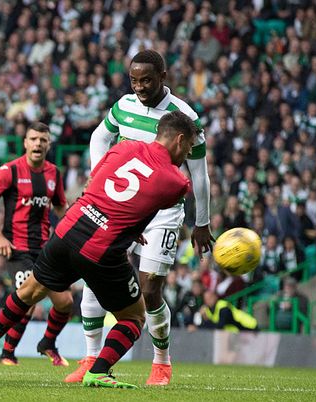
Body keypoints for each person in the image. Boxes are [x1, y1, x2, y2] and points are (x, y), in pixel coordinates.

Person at [0, 110, 197, 389]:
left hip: (67, 230)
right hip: (101, 251)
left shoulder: (123, 146)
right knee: (134, 317)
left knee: (29, 292)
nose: (187, 154)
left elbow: (97, 182)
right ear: (180, 140)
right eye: (188, 147)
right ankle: (98, 370)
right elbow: (148, 203)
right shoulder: (178, 182)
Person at [67, 50, 214, 385]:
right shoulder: (123, 106)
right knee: (95, 275)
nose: (140, 86)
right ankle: (91, 357)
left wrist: (202, 222)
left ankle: (161, 362)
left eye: (146, 79)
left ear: (163, 75)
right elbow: (99, 137)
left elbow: (200, 174)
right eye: (134, 79)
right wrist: (97, 177)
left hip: (162, 211)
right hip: (120, 207)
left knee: (150, 287)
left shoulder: (185, 117)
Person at [0, 122, 70, 366]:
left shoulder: (54, 173)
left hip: (45, 249)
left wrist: (74, 228)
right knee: (27, 300)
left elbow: (61, 206)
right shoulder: (10, 170)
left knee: (65, 303)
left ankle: (48, 343)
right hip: (17, 248)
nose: (38, 143)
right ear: (25, 143)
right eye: (33, 139)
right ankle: (7, 353)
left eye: (43, 139)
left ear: (49, 144)